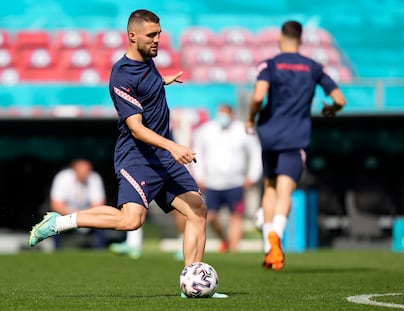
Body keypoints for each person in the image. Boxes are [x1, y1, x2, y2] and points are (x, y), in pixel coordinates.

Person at [28, 9, 227, 299]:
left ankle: (192, 284)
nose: (158, 40)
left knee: (197, 210)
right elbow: (136, 128)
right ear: (132, 36)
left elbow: (146, 90)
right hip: (138, 157)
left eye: (159, 34)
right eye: (151, 35)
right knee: (131, 220)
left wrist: (162, 82)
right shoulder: (121, 75)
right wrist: (174, 146)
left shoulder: (148, 62)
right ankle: (58, 223)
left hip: (162, 157)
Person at [245, 20, 346, 271]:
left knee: (269, 188)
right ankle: (276, 237)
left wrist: (250, 117)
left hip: (269, 134)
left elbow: (258, 96)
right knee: (284, 192)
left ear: (281, 38)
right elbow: (339, 99)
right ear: (301, 40)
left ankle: (270, 249)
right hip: (296, 137)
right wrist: (330, 108)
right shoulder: (313, 67)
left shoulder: (269, 64)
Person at [192, 104, 262, 252]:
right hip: (212, 182)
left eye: (226, 113)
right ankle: (225, 240)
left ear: (232, 114)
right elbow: (197, 151)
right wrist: (199, 176)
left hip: (235, 182)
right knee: (211, 217)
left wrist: (252, 176)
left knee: (236, 217)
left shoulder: (242, 130)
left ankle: (234, 250)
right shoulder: (206, 130)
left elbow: (255, 151)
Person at [49, 159, 107, 249]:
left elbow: (99, 205)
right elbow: (56, 205)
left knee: (102, 220)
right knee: (55, 220)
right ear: (74, 170)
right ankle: (56, 251)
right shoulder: (63, 177)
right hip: (67, 214)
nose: (84, 174)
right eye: (82, 172)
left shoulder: (94, 178)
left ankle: (101, 251)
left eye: (87, 172)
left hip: (88, 215)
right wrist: (74, 217)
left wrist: (84, 217)